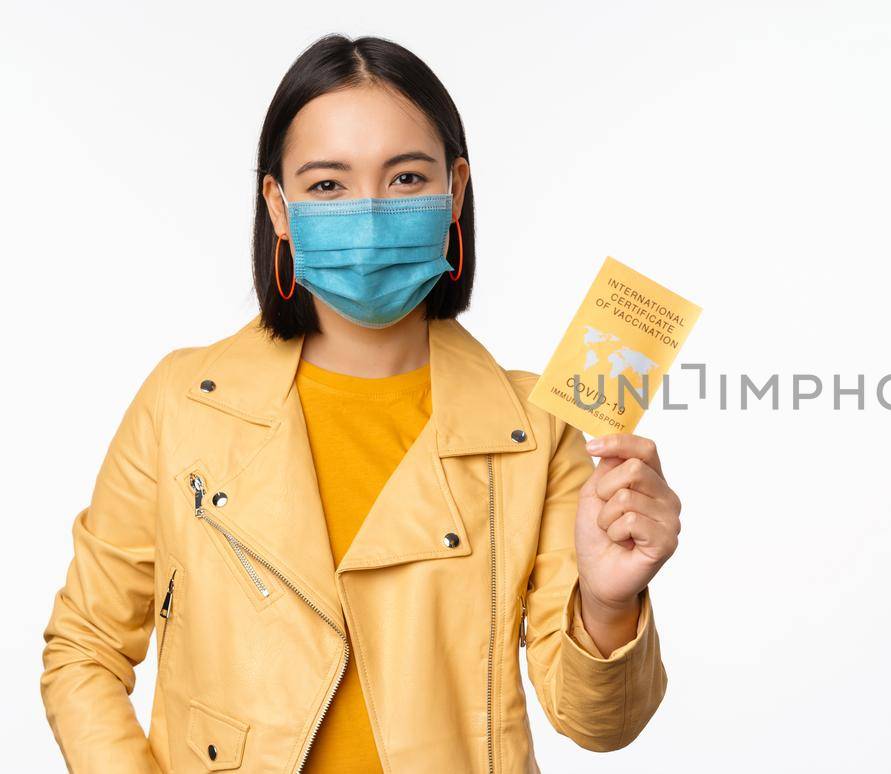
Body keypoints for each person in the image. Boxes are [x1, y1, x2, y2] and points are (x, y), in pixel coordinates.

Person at [39, 34, 677, 773]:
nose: (370, 217)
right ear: (278, 206)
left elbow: (598, 725)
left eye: (405, 178)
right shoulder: (182, 403)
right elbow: (84, 649)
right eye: (328, 186)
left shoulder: (539, 426)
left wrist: (606, 605)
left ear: (455, 192)